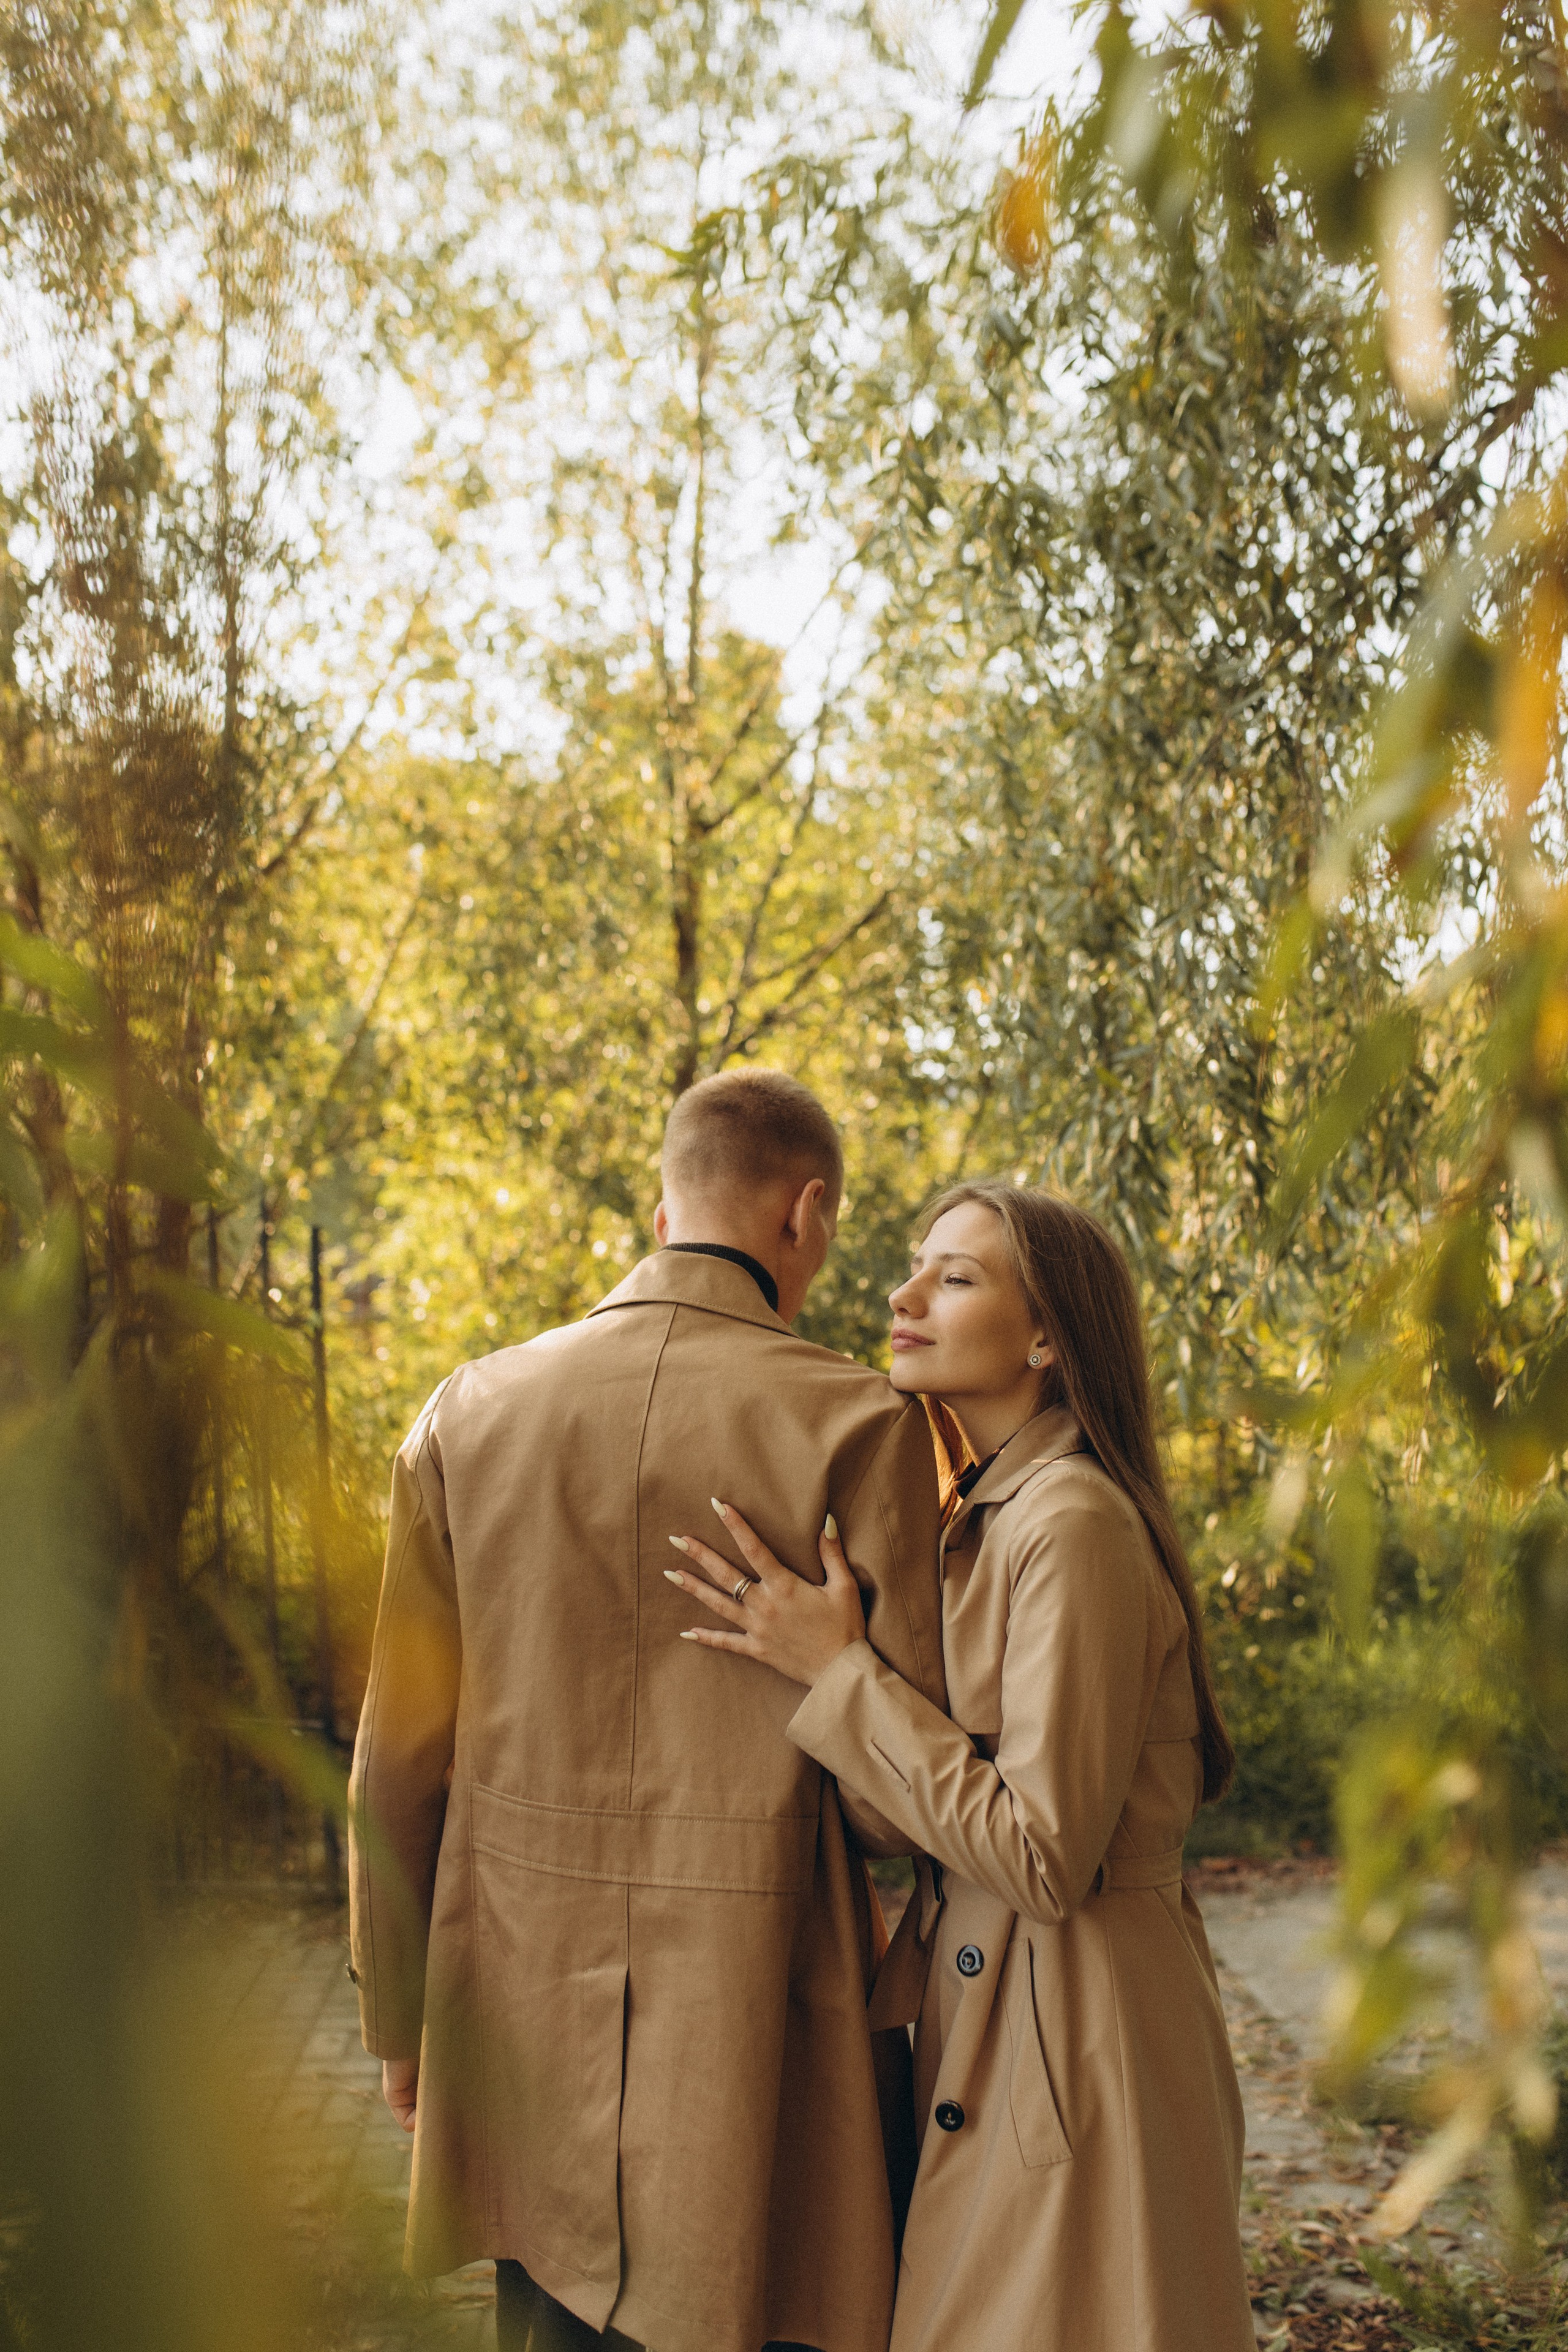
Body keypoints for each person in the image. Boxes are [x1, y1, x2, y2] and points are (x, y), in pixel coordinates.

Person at [346, 1069, 946, 2352]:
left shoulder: (469, 1412)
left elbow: (395, 1762)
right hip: (764, 2037)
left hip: (515, 2010)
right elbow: (892, 1813)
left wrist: (400, 2018)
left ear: (661, 1212)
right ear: (808, 1213)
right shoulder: (859, 1424)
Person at [666, 1182, 1257, 2352]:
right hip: (1008, 2023)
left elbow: (1039, 1854)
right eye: (915, 1266)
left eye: (956, 1276)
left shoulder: (1070, 1523)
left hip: (1082, 2048)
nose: (903, 1294)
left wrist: (839, 1677)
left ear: (1047, 1338)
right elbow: (925, 1813)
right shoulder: (987, 1514)